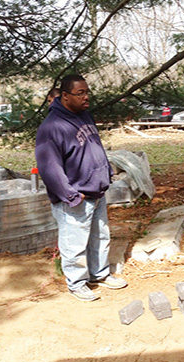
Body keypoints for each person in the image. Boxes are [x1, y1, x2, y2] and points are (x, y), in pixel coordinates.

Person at [36, 74, 127, 302]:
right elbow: (49, 168)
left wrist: (105, 173)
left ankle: (99, 274)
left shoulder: (84, 115)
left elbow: (93, 148)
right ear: (65, 96)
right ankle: (76, 283)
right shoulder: (52, 128)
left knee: (100, 237)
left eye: (87, 92)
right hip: (76, 196)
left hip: (96, 191)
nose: (86, 97)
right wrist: (71, 195)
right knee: (74, 243)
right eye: (80, 93)